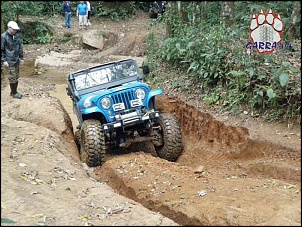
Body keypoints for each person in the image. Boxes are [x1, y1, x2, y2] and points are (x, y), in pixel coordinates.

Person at [1, 21, 24, 99]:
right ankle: (14, 93)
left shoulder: (16, 36)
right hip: (9, 61)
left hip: (16, 59)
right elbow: (2, 50)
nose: (15, 31)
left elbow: (20, 47)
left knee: (16, 76)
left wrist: (21, 58)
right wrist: (4, 60)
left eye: (16, 30)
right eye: (13, 29)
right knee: (12, 77)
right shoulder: (3, 37)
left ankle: (14, 91)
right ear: (9, 28)